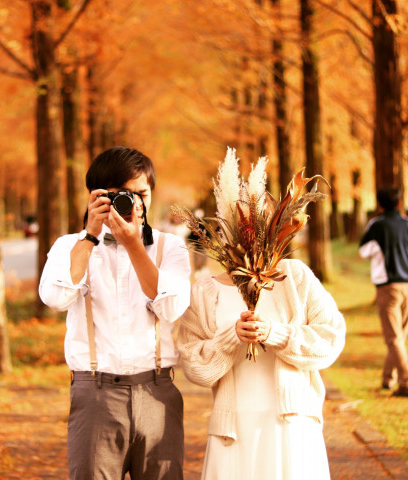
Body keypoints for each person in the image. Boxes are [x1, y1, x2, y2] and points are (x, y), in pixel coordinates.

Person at [38, 146, 191, 480]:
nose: (133, 203)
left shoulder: (170, 247)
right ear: (96, 196)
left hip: (157, 391)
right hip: (95, 393)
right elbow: (55, 297)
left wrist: (135, 244)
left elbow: (172, 307)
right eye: (121, 194)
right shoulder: (69, 246)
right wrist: (91, 235)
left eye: (141, 194)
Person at [176, 261, 346, 479]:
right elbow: (193, 365)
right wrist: (231, 337)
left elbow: (330, 340)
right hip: (232, 432)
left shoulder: (295, 276)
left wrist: (274, 333)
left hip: (291, 427)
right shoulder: (204, 291)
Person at [359, 186, 408, 397]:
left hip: (389, 287)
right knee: (398, 337)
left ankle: (406, 383)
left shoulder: (377, 225)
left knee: (394, 339)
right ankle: (388, 378)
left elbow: (364, 251)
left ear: (379, 205)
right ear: (400, 203)